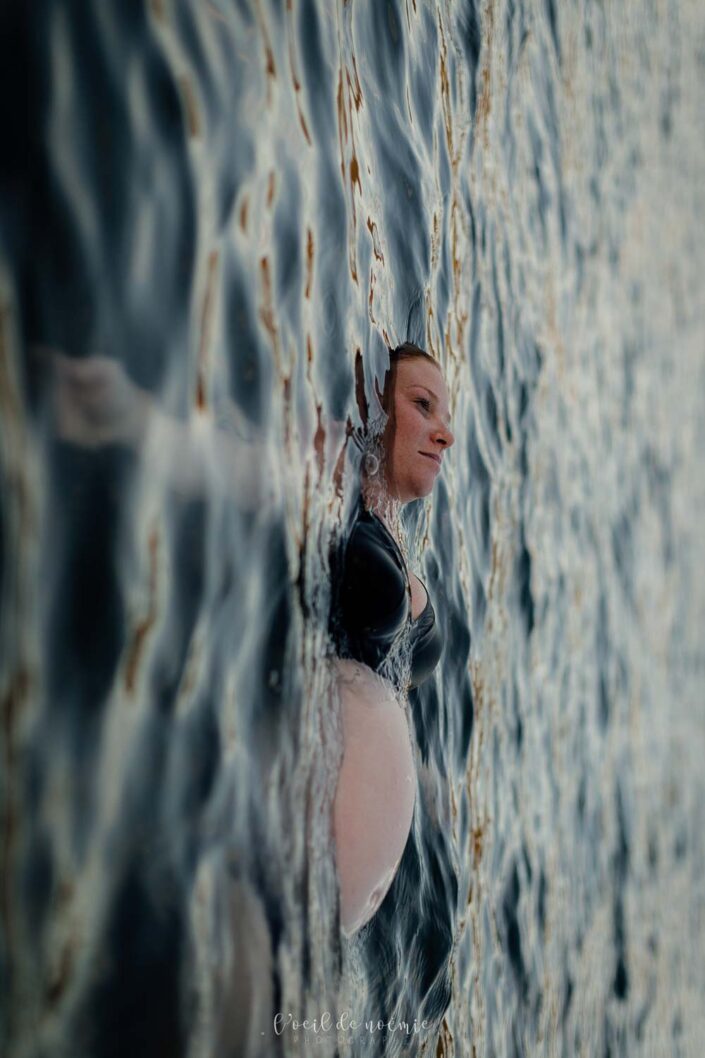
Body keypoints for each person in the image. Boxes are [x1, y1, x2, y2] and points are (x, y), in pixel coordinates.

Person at [329, 343, 454, 935]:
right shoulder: (336, 486)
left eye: (446, 417)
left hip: (337, 924)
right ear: (379, 405)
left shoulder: (393, 534)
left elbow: (390, 695)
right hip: (286, 863)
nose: (444, 434)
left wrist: (426, 784)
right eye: (423, 405)